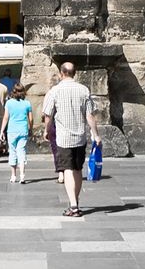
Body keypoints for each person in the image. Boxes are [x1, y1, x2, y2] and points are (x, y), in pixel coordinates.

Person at [41, 60, 100, 217]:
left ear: (61, 73)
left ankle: (73, 206)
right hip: (80, 136)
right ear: (75, 73)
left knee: (67, 169)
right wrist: (96, 134)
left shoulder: (55, 91)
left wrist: (47, 130)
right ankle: (76, 201)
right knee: (78, 169)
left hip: (63, 138)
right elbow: (90, 115)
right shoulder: (83, 90)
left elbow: (48, 115)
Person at [4, 83, 35, 184]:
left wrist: (1, 130)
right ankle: (22, 175)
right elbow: (31, 119)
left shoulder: (9, 103)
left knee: (12, 151)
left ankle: (13, 175)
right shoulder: (27, 103)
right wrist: (31, 129)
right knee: (21, 152)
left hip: (12, 130)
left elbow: (6, 117)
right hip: (23, 130)